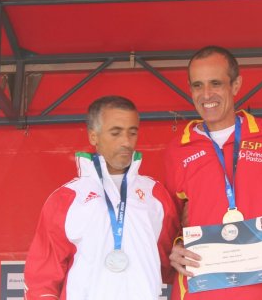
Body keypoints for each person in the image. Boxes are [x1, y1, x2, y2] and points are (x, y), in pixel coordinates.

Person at [165, 46, 262, 300]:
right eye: (197, 85)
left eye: (215, 83)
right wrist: (174, 247)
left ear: (236, 85)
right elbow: (168, 220)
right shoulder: (178, 149)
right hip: (200, 289)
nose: (206, 94)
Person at [24, 96, 179, 300]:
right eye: (115, 133)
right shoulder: (67, 198)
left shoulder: (155, 194)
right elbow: (42, 279)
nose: (126, 141)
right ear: (93, 136)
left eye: (132, 133)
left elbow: (170, 265)